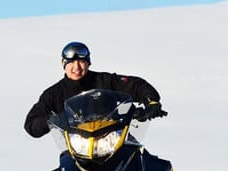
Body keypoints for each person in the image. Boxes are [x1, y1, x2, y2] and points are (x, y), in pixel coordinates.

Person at [24, 41, 167, 138]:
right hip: (78, 147)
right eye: (71, 63)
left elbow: (137, 85)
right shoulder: (54, 94)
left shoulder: (104, 80)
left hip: (113, 139)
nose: (77, 67)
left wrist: (151, 101)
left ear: (88, 63)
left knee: (146, 166)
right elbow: (31, 124)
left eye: (81, 62)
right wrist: (50, 121)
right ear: (64, 65)